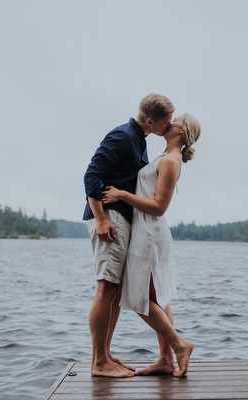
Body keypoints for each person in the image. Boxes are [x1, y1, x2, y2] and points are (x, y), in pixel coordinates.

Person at [102, 113, 201, 378]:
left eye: (176, 120)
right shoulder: (162, 157)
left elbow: (159, 207)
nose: (170, 121)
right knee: (157, 298)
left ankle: (180, 345)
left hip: (149, 233)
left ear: (182, 131)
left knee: (138, 299)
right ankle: (165, 360)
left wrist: (122, 194)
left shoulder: (171, 160)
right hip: (144, 231)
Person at [83, 94, 174, 378]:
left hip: (121, 219)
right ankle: (98, 362)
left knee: (116, 292)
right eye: (165, 122)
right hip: (109, 219)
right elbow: (91, 175)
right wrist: (100, 219)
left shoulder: (140, 140)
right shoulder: (122, 136)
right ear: (150, 121)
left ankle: (106, 354)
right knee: (106, 288)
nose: (168, 125)